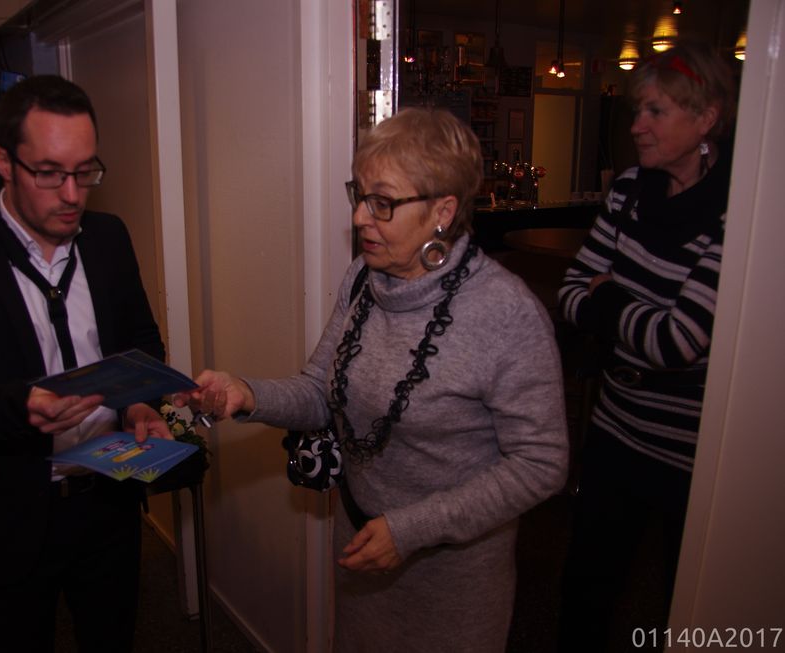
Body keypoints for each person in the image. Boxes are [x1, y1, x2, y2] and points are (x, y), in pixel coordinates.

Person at [179, 108, 569, 651]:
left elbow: (542, 463)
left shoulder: (506, 313)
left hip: (452, 580)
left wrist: (409, 530)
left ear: (442, 211)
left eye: (382, 202)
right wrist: (247, 394)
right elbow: (320, 390)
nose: (360, 216)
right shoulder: (363, 278)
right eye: (359, 195)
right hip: (361, 551)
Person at [0, 75, 170, 652]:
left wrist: (139, 403)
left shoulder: (108, 237)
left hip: (109, 501)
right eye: (50, 173)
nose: (72, 195)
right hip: (11, 512)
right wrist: (22, 406)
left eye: (86, 171)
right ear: (4, 162)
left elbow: (142, 340)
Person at [557, 42, 738, 651]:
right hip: (615, 424)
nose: (636, 125)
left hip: (692, 449)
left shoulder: (737, 212)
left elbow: (676, 341)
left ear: (706, 118)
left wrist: (608, 298)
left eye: (655, 111)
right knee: (585, 590)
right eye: (638, 111)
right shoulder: (630, 190)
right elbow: (571, 293)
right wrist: (621, 308)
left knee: (688, 605)